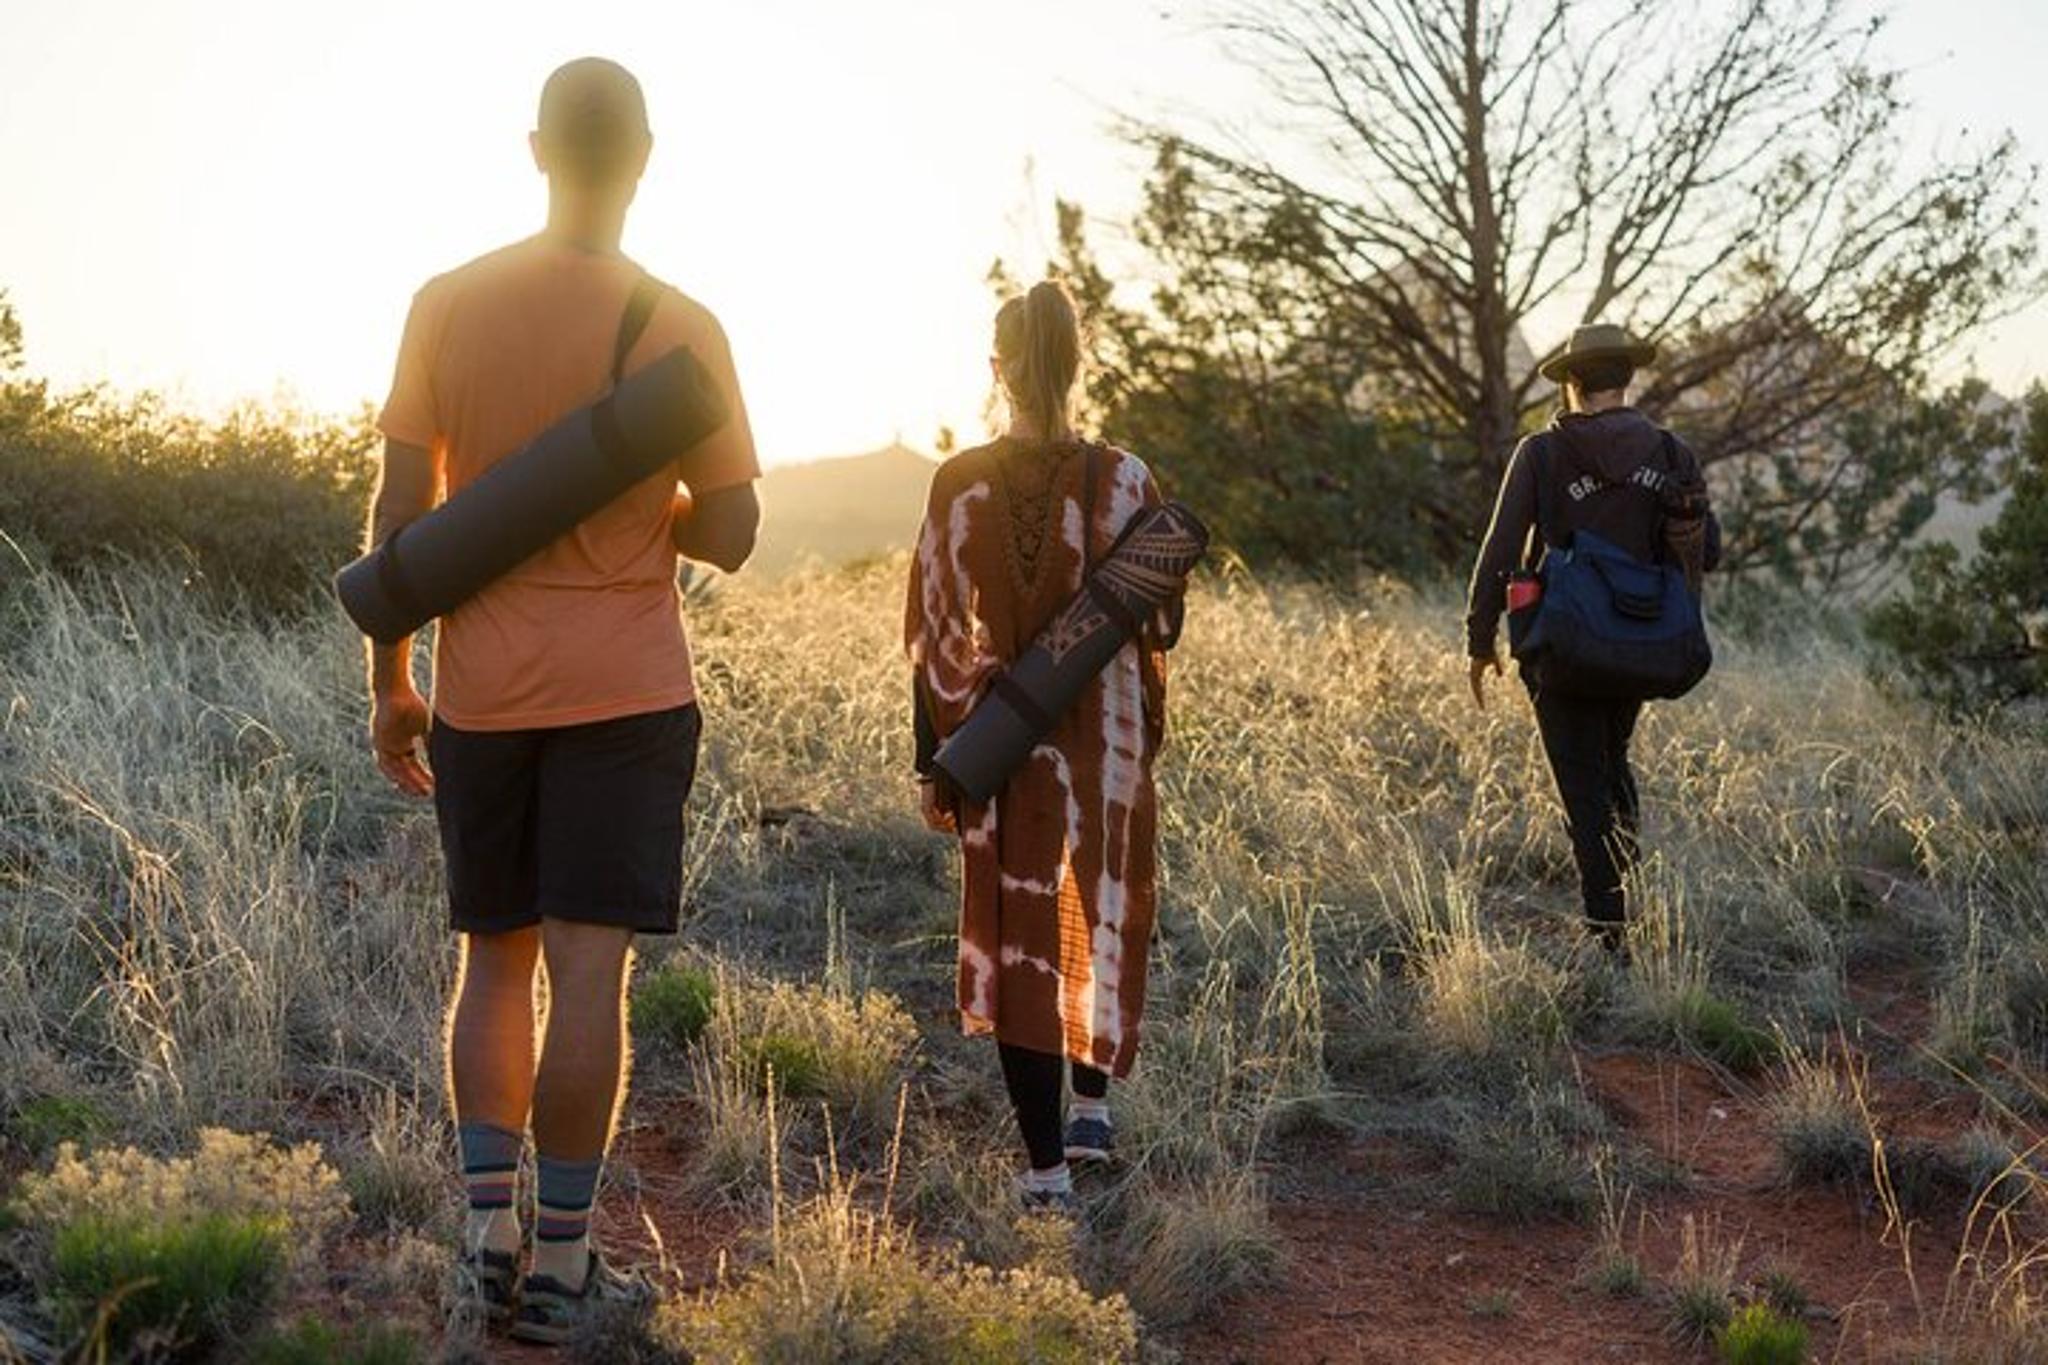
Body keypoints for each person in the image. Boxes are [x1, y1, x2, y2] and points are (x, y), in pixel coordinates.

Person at [363, 57, 760, 1343]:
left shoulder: (443, 302)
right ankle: (565, 1266)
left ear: (537, 149)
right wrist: (639, 496)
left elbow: (400, 518)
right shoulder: (683, 322)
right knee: (591, 979)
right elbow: (741, 530)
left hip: (480, 690)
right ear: (643, 155)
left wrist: (393, 681)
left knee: (494, 959)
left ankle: (485, 1235)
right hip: (627, 690)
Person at [905, 281, 1177, 1213]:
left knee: (1023, 932)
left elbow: (933, 632)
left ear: (999, 370)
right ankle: (1091, 1111)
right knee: (1095, 909)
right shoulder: (1132, 478)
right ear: (1079, 363)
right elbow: (1160, 621)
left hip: (1003, 740)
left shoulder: (958, 481)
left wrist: (936, 757)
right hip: (1107, 735)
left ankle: (1047, 1169)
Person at [1465, 322, 1719, 952]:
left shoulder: (1542, 454)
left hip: (1563, 644)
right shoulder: (1671, 456)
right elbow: (1707, 551)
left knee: (1582, 784)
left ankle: (1610, 936)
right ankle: (1626, 881)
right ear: (1627, 378)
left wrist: (1479, 637)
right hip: (1640, 646)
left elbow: (1501, 549)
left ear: (1572, 383)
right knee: (1610, 757)